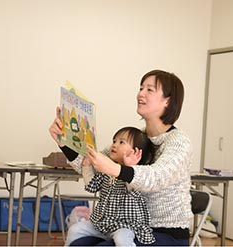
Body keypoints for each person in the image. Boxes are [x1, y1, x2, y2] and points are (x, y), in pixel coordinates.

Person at [49, 69, 193, 246]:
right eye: (141, 88)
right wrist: (64, 142)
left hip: (165, 234)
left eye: (150, 89)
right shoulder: (134, 138)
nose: (140, 93)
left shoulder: (179, 142)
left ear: (168, 100)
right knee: (77, 243)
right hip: (125, 227)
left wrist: (113, 168)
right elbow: (91, 166)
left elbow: (156, 177)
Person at [65, 126, 157, 246]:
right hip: (102, 223)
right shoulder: (106, 168)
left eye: (121, 142)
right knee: (75, 230)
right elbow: (92, 185)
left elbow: (133, 189)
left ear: (136, 152)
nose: (114, 145)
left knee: (121, 239)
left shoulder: (137, 173)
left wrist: (130, 167)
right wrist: (87, 166)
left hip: (125, 225)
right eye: (114, 141)